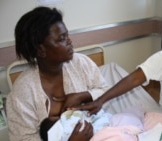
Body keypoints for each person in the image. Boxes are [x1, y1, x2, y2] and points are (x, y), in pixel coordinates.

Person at [6, 6, 110, 141]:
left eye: (67, 35)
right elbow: (22, 138)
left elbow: (106, 93)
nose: (70, 41)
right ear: (41, 50)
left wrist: (83, 96)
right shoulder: (23, 92)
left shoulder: (81, 63)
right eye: (62, 39)